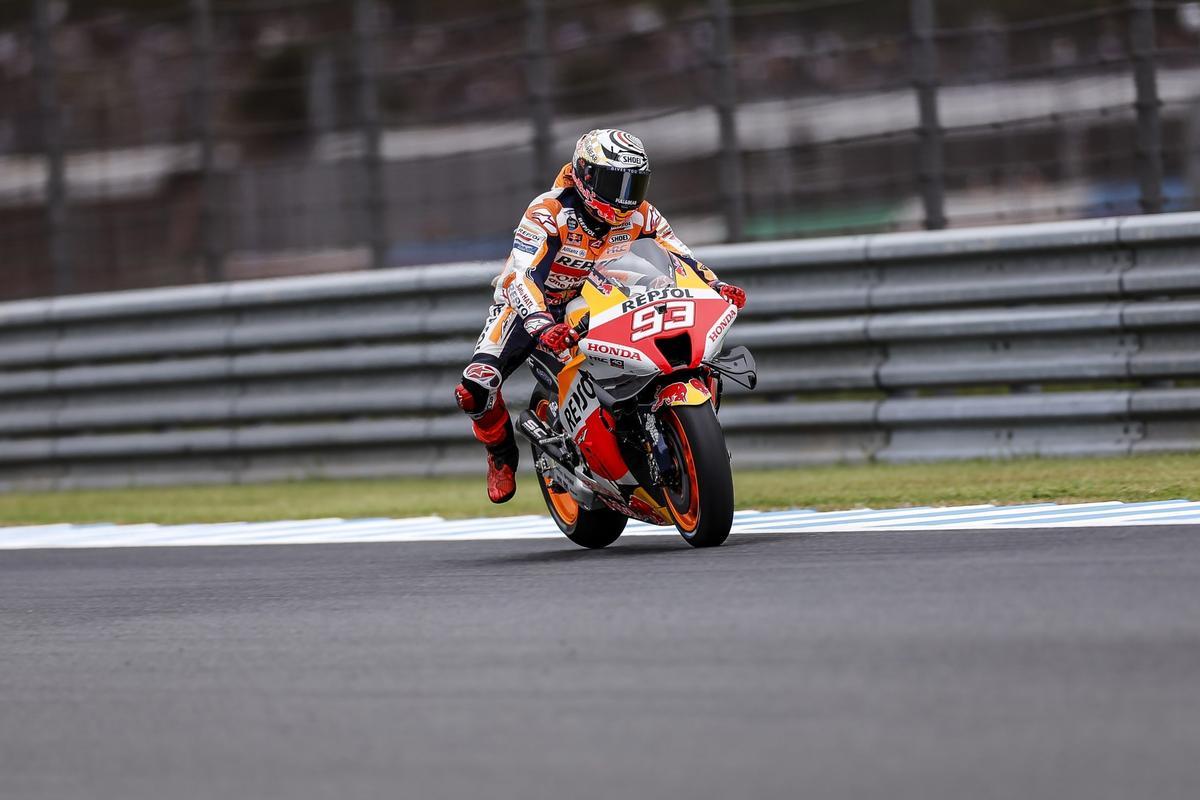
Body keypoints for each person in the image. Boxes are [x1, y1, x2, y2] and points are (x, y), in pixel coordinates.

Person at [454, 128, 748, 503]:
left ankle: (670, 419)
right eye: (616, 183)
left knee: (683, 332)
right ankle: (501, 456)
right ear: (585, 175)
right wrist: (540, 322)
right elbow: (519, 276)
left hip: (602, 288)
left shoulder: (641, 214)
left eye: (634, 185)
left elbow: (679, 254)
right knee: (475, 387)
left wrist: (715, 286)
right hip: (535, 301)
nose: (626, 198)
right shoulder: (549, 211)